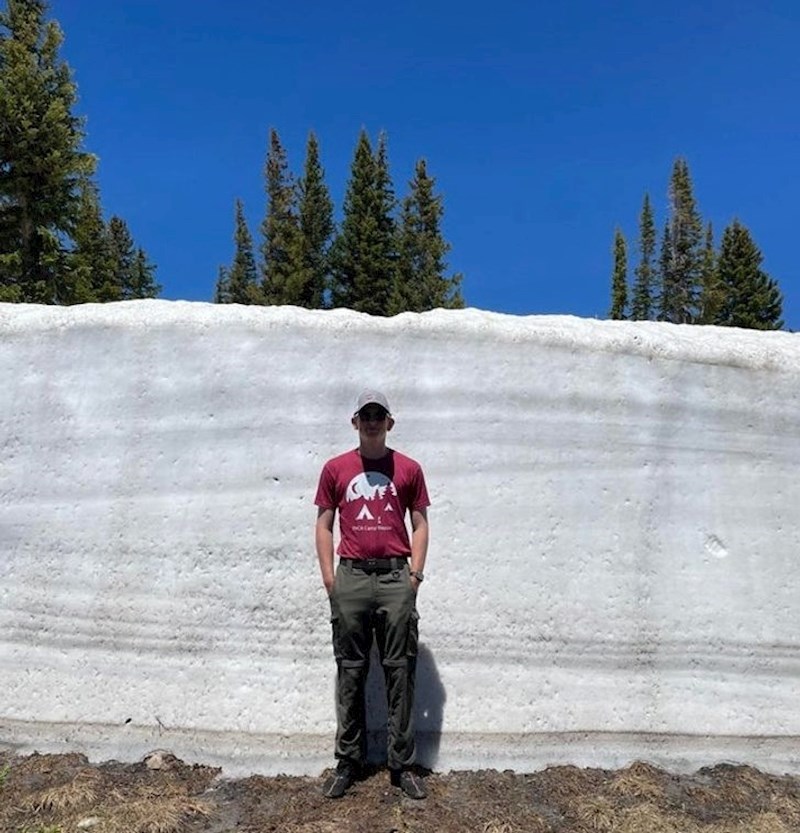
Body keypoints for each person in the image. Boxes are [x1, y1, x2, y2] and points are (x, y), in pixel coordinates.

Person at [315, 389, 430, 800]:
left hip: (397, 579)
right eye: (365, 415)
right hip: (352, 579)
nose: (372, 421)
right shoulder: (335, 469)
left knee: (400, 670)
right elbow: (324, 524)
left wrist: (414, 576)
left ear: (389, 422)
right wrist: (331, 579)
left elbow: (419, 523)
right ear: (355, 421)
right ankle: (349, 761)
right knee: (350, 670)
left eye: (378, 414)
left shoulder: (409, 469)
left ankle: (402, 765)